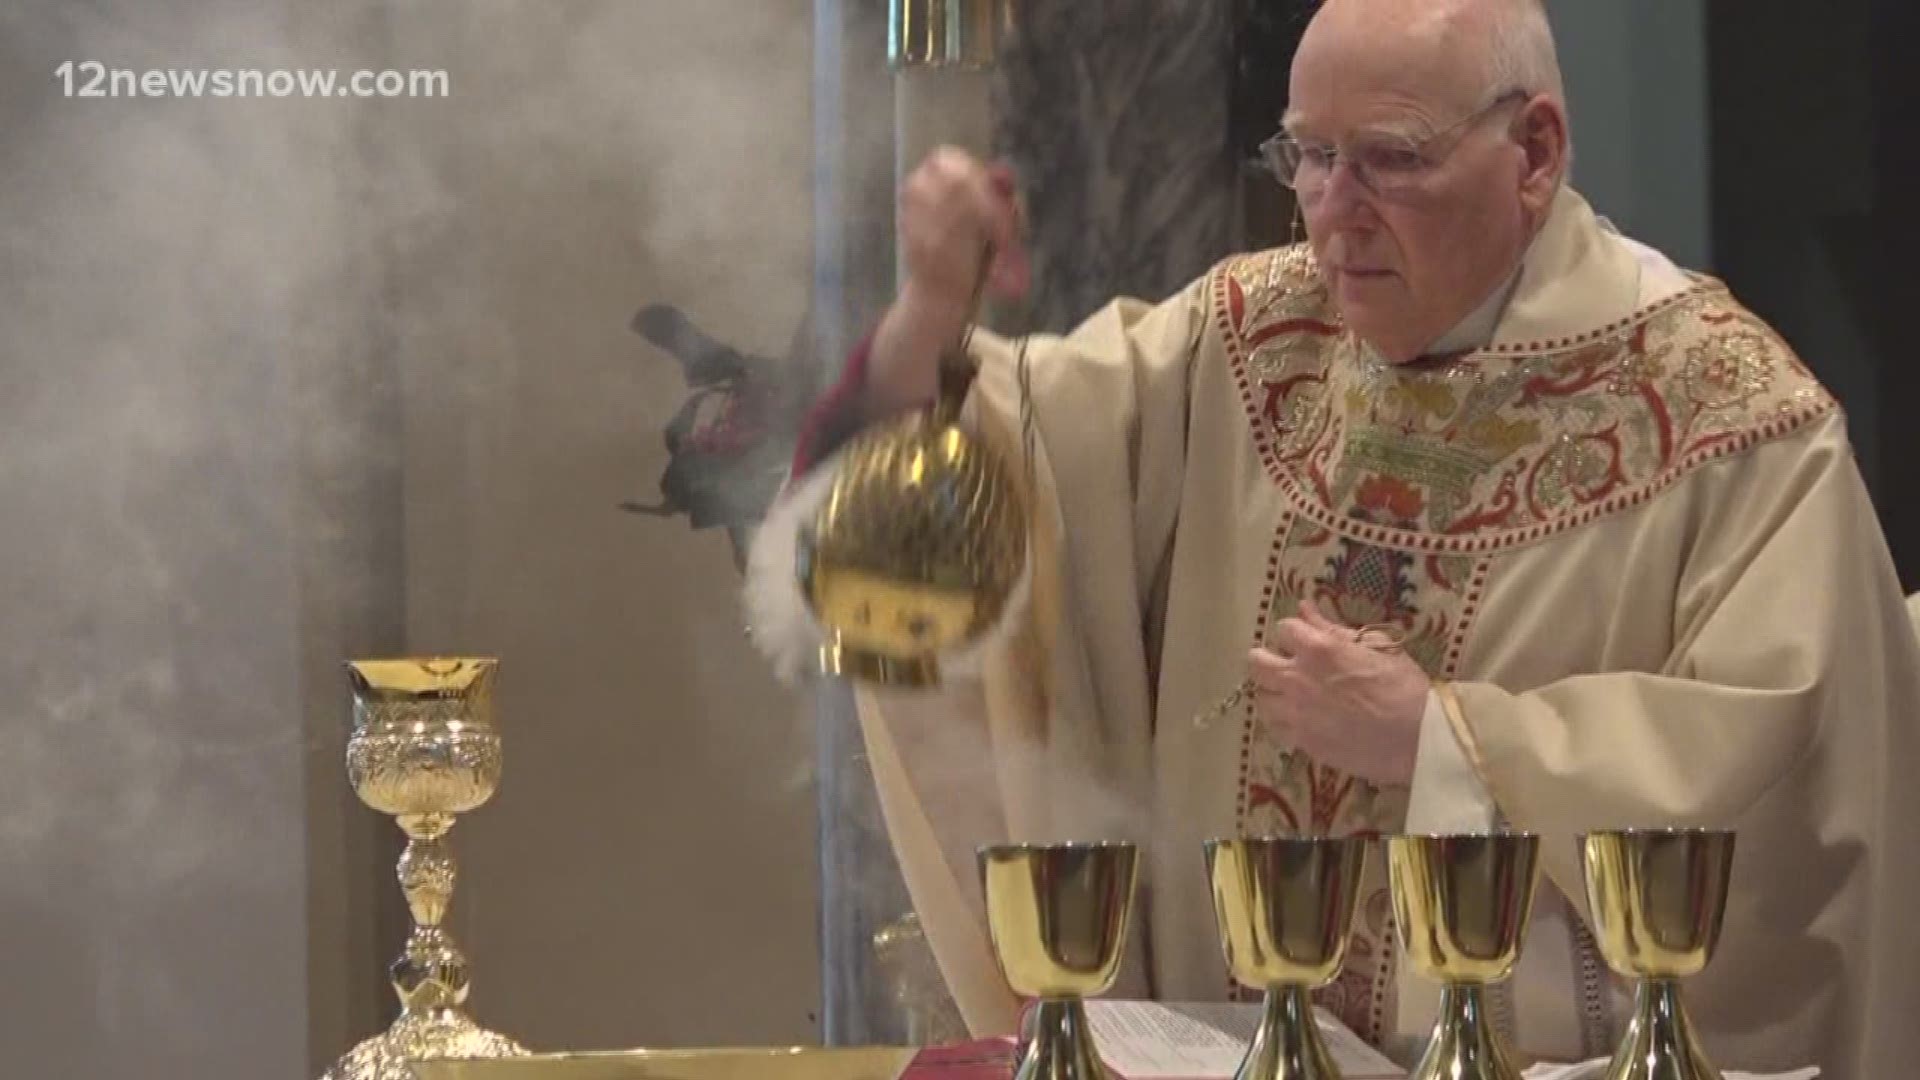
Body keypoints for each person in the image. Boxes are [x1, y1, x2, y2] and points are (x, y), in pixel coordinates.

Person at [746, 0, 1920, 1073]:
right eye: (1307, 154)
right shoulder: (1246, 336)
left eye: (1392, 160)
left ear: (1538, 151)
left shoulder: (1724, 412)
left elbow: (1791, 773)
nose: (1332, 212)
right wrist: (927, 322)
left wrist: (1447, 745)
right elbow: (989, 466)